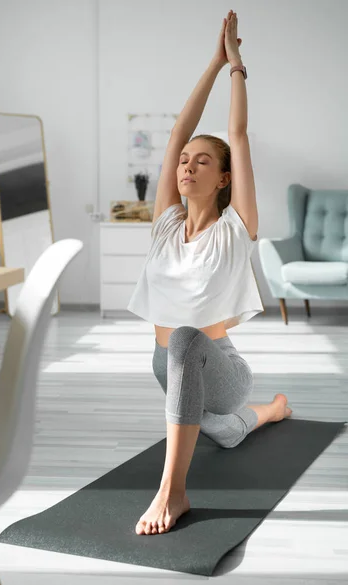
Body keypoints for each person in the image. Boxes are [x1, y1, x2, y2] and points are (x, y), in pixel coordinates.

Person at [127, 10, 292, 536]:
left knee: (187, 343)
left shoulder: (236, 228)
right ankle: (271, 411)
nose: (186, 166)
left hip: (219, 366)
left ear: (223, 180)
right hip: (167, 368)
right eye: (184, 161)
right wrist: (211, 61)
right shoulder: (164, 225)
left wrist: (236, 66)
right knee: (225, 430)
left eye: (202, 161)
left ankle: (172, 493)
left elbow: (238, 136)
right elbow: (177, 131)